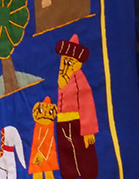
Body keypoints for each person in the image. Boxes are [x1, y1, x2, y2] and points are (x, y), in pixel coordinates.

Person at [55, 35, 99, 179]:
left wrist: (88, 130)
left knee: (83, 151)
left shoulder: (78, 78)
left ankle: (88, 174)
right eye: (64, 60)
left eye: (69, 62)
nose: (65, 65)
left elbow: (86, 103)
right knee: (66, 151)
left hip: (77, 122)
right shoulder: (62, 79)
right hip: (62, 122)